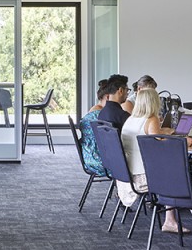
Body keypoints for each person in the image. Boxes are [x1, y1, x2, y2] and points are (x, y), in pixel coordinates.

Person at [119, 88, 184, 233]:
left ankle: (178, 215)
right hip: (142, 178)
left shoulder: (130, 120)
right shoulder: (151, 119)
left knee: (171, 169)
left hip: (127, 175)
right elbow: (160, 145)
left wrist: (164, 131)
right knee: (176, 174)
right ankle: (173, 219)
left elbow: (154, 135)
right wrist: (184, 141)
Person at [76, 79, 113, 178]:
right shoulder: (100, 115)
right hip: (99, 160)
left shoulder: (93, 111)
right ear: (108, 97)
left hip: (89, 156)